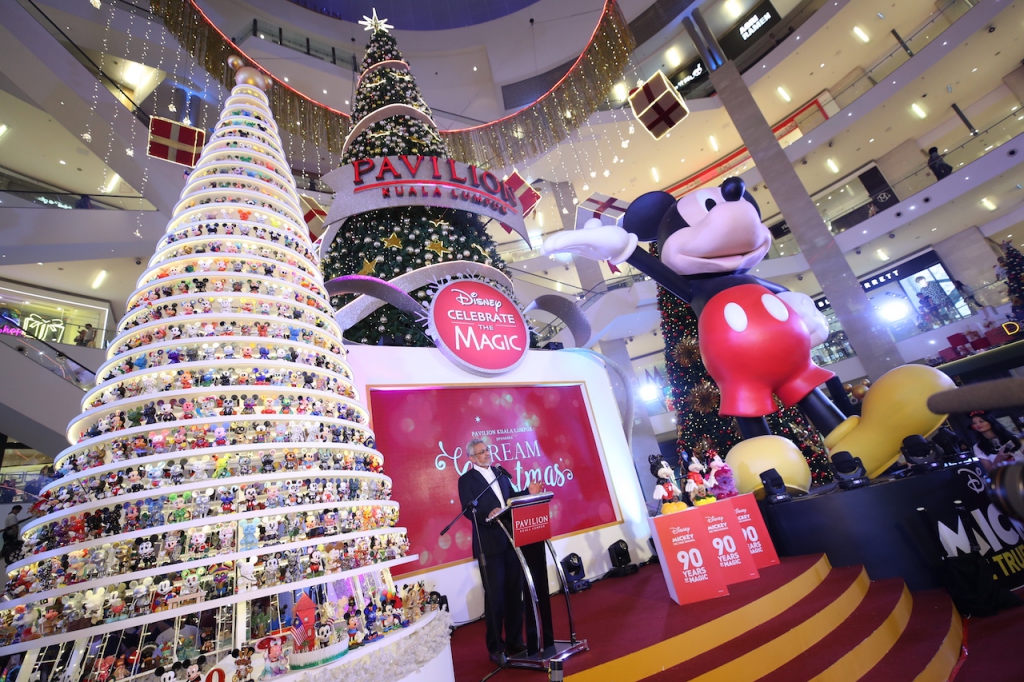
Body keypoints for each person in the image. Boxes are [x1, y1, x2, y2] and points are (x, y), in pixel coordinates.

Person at [458, 439, 542, 667]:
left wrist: (529, 492)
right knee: (495, 598)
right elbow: (468, 509)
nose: (487, 454)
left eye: (487, 450)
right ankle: (496, 647)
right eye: (482, 452)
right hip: (490, 546)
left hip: (512, 541)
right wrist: (488, 513)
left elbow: (511, 500)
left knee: (515, 594)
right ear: (472, 458)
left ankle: (515, 641)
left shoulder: (500, 473)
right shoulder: (466, 480)